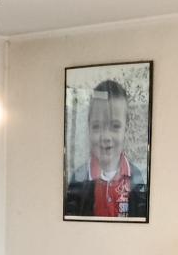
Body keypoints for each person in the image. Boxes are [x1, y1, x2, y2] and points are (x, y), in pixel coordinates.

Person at [64, 79, 149, 218]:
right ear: (89, 127)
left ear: (126, 128)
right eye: (97, 126)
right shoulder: (78, 179)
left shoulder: (136, 177)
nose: (106, 136)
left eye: (115, 126)